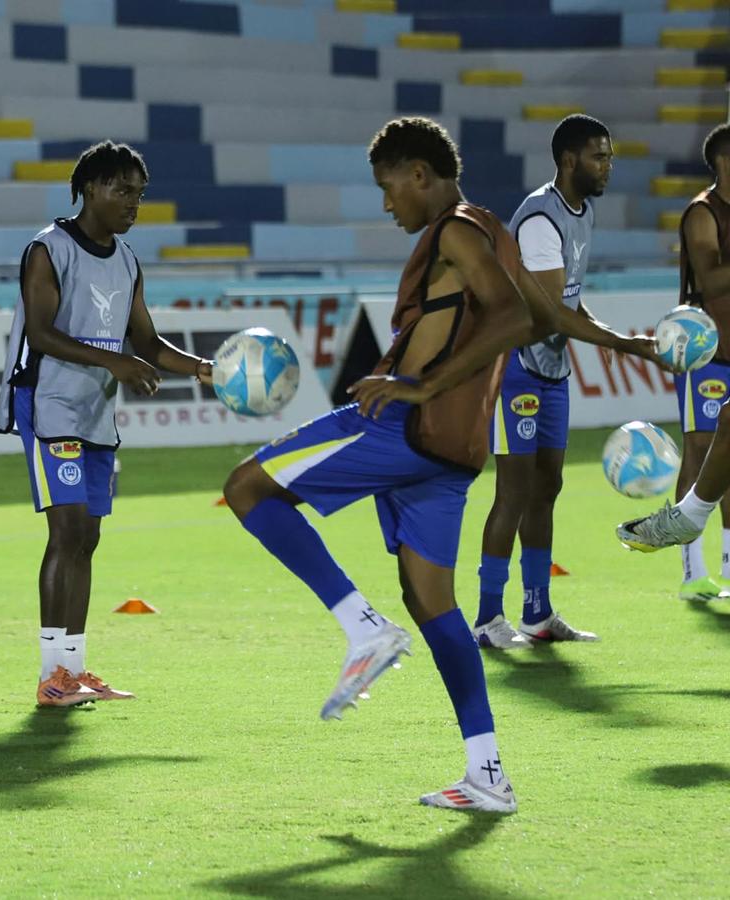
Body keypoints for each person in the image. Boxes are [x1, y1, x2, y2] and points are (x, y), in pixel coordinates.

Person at [223, 117, 661, 814]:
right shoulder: (492, 228)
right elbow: (539, 315)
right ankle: (486, 772)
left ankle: (360, 628)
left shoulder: (456, 229)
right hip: (452, 451)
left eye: (388, 187)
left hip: (401, 425)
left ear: (419, 173)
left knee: (246, 487)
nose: (387, 203)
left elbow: (518, 318)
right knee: (432, 604)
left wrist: (421, 383)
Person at [0, 141, 213, 708]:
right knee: (67, 531)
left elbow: (145, 341)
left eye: (139, 195)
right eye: (123, 191)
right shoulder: (48, 248)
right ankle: (51, 677)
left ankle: (73, 670)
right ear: (90, 187)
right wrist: (115, 361)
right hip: (48, 405)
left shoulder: (127, 259)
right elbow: (40, 334)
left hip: (95, 411)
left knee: (88, 537)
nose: (132, 204)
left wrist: (201, 370)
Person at [475, 115, 638, 647]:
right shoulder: (541, 220)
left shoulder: (582, 211)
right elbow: (545, 315)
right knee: (515, 489)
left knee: (548, 486)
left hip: (553, 369)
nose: (607, 165)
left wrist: (600, 333)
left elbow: (567, 295)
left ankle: (537, 613)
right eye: (599, 156)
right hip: (519, 365)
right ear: (569, 161)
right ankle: (487, 618)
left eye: (609, 155)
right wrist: (625, 344)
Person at [619, 124, 730, 559]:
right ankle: (693, 565)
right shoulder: (703, 212)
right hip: (706, 348)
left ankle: (706, 537)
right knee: (706, 443)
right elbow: (711, 279)